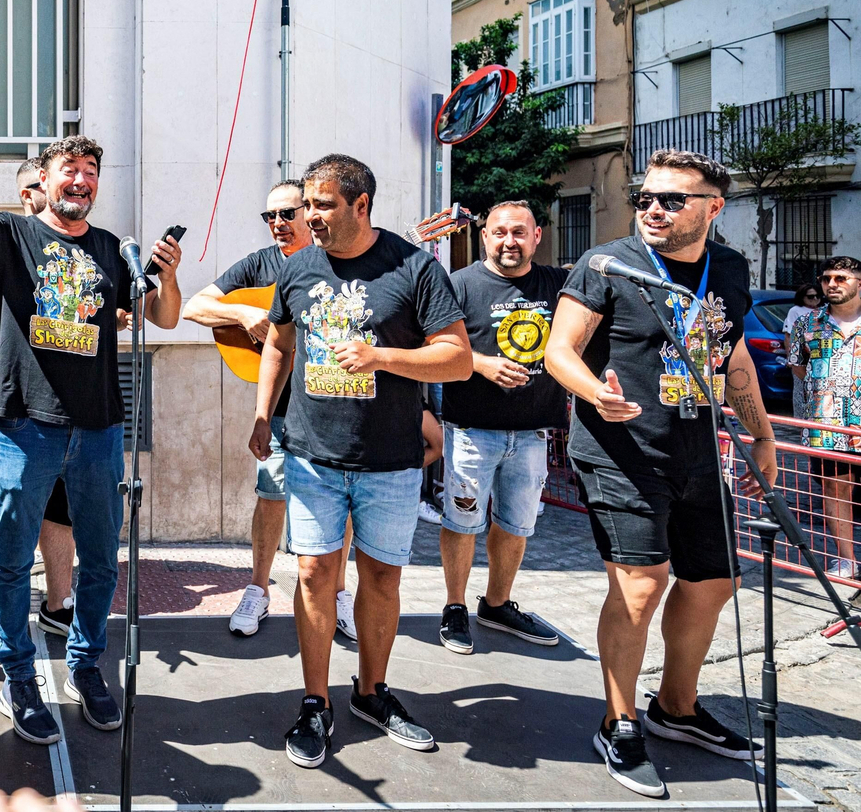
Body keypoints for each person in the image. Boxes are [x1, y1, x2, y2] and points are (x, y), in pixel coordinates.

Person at [0, 72, 185, 745]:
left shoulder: (113, 249)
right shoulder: (12, 236)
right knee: (10, 557)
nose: (80, 181)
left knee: (101, 559)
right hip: (25, 424)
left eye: (90, 172)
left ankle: (86, 665)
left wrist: (168, 276)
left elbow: (163, 317)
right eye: (69, 171)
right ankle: (19, 677)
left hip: (99, 428)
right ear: (46, 181)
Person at [546, 149, 773, 799]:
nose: (652, 208)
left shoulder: (729, 268)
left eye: (672, 200)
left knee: (715, 581)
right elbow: (559, 350)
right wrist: (595, 393)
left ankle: (676, 707)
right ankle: (618, 723)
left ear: (712, 207)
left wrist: (761, 434)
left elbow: (731, 357)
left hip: (697, 451)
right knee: (641, 586)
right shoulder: (607, 264)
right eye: (645, 197)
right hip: (622, 451)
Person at [248, 154, 470, 767]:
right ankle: (314, 701)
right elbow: (279, 344)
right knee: (314, 574)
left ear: (360, 204)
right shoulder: (297, 269)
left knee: (380, 580)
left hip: (391, 459)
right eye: (305, 205)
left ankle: (372, 692)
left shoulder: (414, 268)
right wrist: (264, 413)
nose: (308, 217)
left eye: (321, 205)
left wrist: (382, 357)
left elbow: (456, 359)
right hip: (312, 456)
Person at [185, 179, 359, 641]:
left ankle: (339, 593)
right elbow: (195, 306)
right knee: (270, 495)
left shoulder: (335, 260)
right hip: (280, 411)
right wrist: (245, 314)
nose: (277, 223)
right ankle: (258, 589)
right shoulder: (258, 264)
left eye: (287, 213)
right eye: (270, 216)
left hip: (332, 405)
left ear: (311, 212)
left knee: (338, 504)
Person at [0, 158, 78, 651]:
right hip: (8, 407)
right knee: (2, 508)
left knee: (60, 510)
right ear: (28, 192)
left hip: (67, 408)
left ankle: (58, 605)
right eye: (34, 186)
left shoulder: (80, 247)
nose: (40, 193)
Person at [436, 201, 567, 654]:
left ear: (536, 237)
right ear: (484, 237)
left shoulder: (558, 285)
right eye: (499, 232)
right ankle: (455, 606)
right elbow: (433, 345)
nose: (509, 241)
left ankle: (496, 604)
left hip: (533, 432)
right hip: (472, 429)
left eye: (519, 232)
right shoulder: (459, 285)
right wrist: (480, 363)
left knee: (517, 524)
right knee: (463, 520)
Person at [787, 255, 861, 581]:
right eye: (826, 278)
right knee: (834, 489)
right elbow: (798, 365)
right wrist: (827, 394)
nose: (831, 284)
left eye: (841, 278)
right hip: (825, 426)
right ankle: (847, 560)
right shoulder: (807, 323)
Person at [784, 282, 823, 421]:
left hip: (820, 357)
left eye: (817, 296)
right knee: (801, 391)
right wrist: (791, 357)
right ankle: (800, 422)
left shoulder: (824, 310)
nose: (815, 299)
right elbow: (789, 335)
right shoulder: (796, 311)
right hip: (802, 356)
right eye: (810, 296)